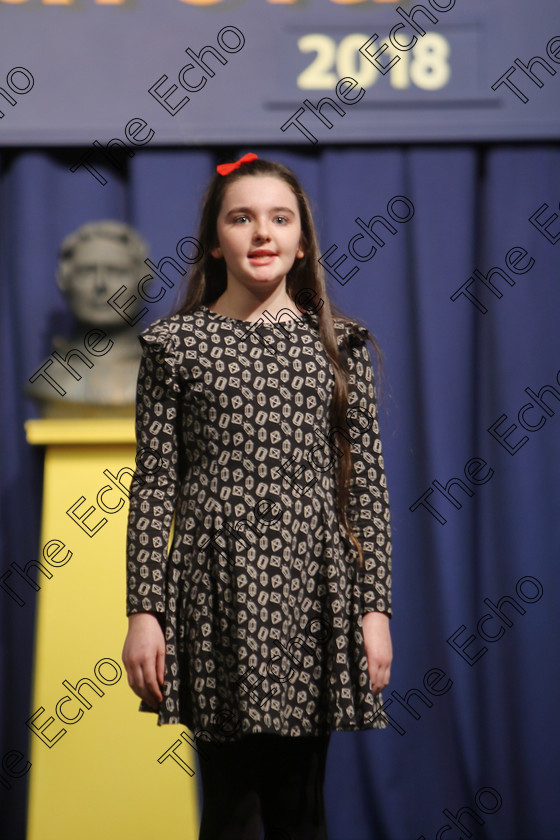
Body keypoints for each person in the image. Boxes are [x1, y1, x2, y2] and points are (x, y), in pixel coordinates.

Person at [121, 153, 393, 840]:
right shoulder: (174, 347)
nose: (262, 233)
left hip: (312, 587)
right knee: (232, 807)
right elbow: (155, 484)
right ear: (216, 238)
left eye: (280, 218)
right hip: (215, 588)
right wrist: (144, 610)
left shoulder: (341, 347)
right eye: (241, 218)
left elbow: (365, 488)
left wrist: (374, 607)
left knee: (301, 805)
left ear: (303, 241)